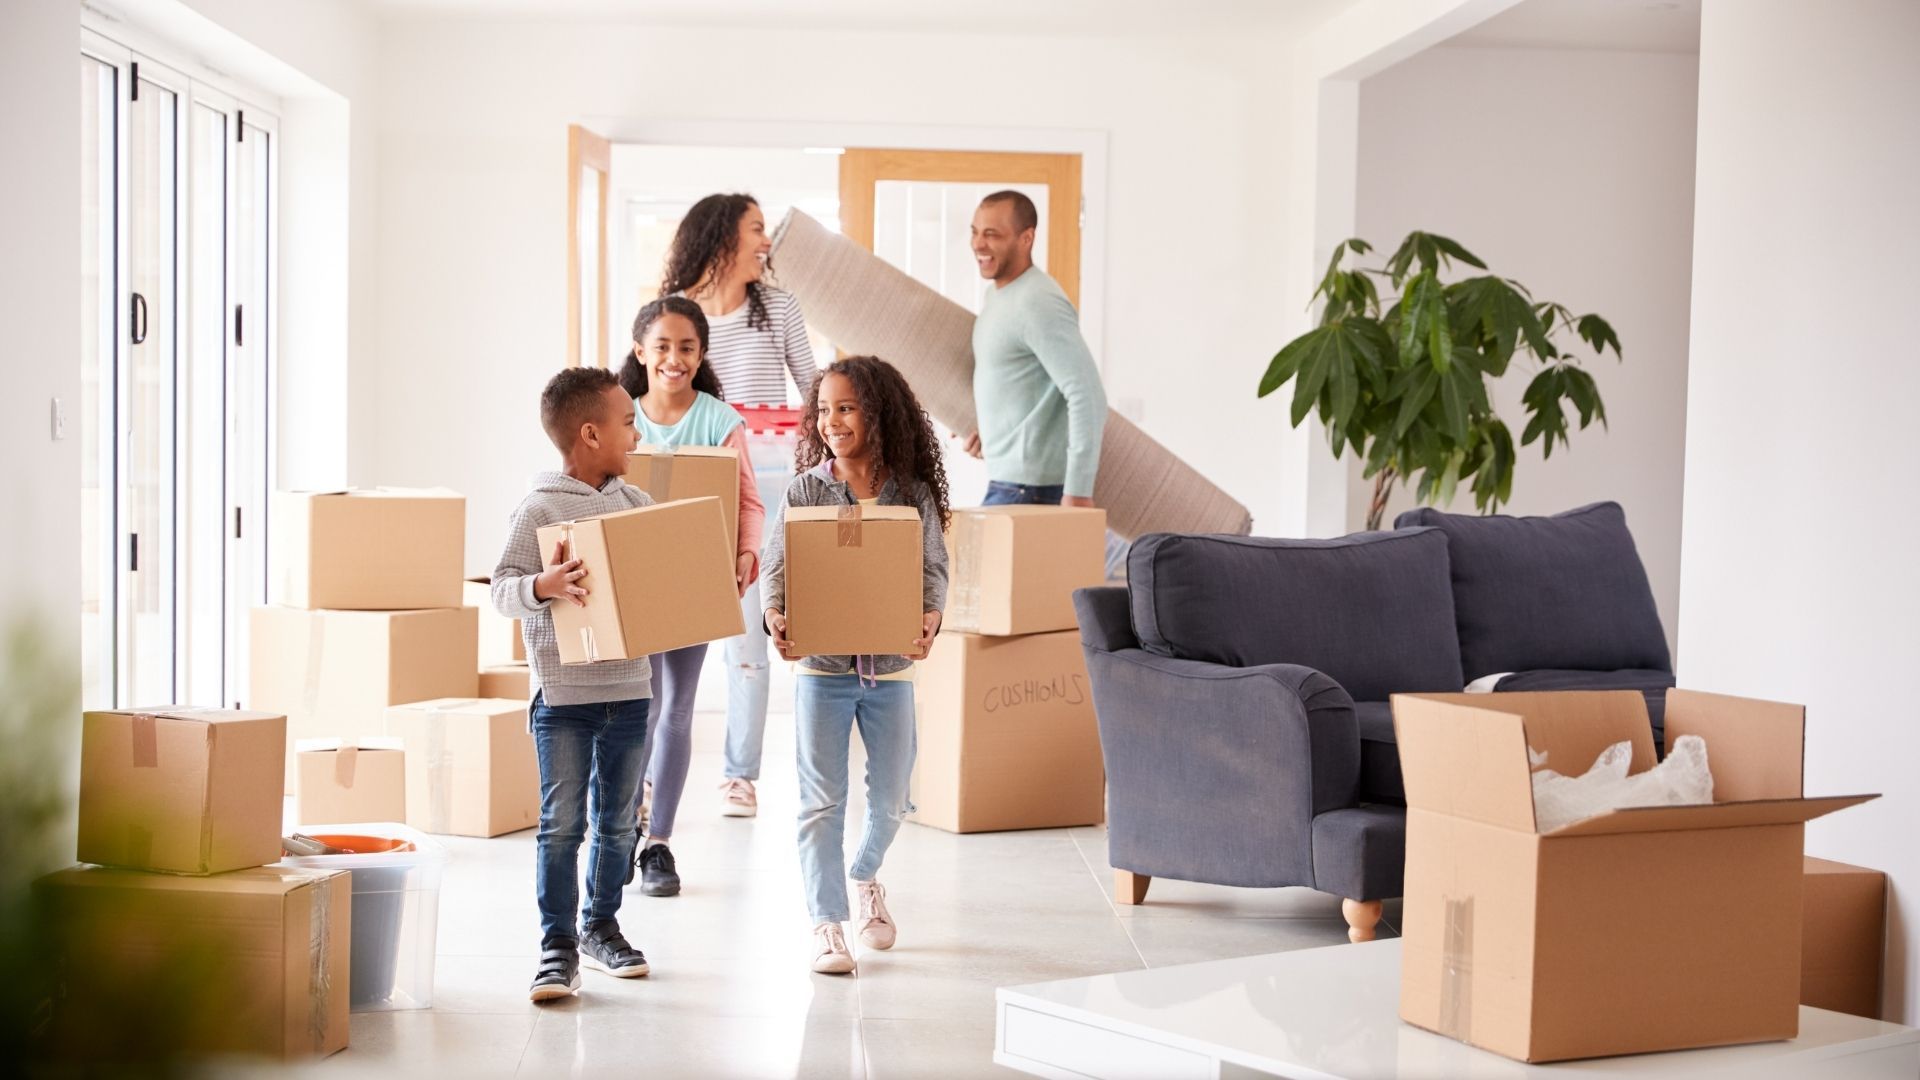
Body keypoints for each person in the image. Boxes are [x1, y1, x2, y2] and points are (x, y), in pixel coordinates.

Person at [760, 356, 949, 975]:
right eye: (823, 410)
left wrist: (931, 615)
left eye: (846, 408)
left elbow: (933, 570)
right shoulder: (805, 491)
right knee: (820, 802)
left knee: (893, 800)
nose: (831, 421)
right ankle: (827, 924)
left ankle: (864, 875)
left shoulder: (912, 494)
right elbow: (777, 566)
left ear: (879, 413)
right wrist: (774, 614)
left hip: (890, 668)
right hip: (822, 669)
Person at [491, 366, 655, 1002]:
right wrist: (544, 585)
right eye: (627, 423)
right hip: (563, 699)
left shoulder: (636, 506)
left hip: (630, 690)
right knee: (562, 824)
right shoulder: (539, 508)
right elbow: (502, 589)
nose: (636, 434)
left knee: (618, 823)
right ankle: (557, 944)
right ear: (591, 434)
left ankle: (600, 926)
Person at [660, 193, 817, 817]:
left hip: (765, 488)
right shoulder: (676, 315)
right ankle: (650, 773)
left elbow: (815, 393)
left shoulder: (778, 308)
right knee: (665, 634)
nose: (766, 240)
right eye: (756, 228)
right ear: (722, 236)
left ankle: (739, 776)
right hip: (690, 485)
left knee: (749, 638)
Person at [617, 296, 765, 898]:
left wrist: (746, 554)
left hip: (696, 580)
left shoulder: (720, 421)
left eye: (687, 348)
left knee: (677, 707)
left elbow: (748, 500)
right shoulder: (619, 413)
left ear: (701, 355)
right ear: (640, 351)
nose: (674, 359)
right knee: (640, 709)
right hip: (633, 581)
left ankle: (659, 843)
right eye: (662, 347)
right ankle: (622, 832)